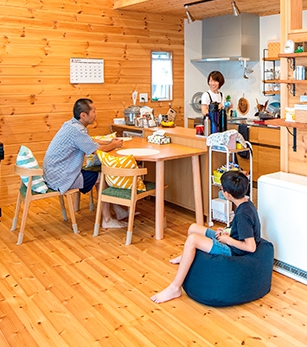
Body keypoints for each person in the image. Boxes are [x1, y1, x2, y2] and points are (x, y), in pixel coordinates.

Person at [151, 170, 259, 304]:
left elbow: (251, 247)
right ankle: (185, 256)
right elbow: (240, 229)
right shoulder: (245, 204)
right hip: (229, 239)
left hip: (233, 250)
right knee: (193, 228)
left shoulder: (243, 215)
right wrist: (226, 231)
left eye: (222, 189)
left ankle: (175, 288)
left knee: (192, 240)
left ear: (227, 194)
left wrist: (228, 240)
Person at [43, 98, 129, 228]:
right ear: (83, 115)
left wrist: (109, 141)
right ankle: (107, 220)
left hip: (54, 173)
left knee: (99, 174)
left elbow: (89, 140)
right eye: (93, 111)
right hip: (62, 178)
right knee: (103, 177)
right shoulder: (77, 131)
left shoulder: (71, 125)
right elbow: (96, 150)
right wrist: (113, 145)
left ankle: (119, 211)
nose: (96, 114)